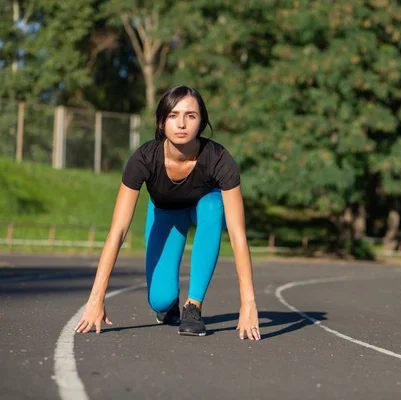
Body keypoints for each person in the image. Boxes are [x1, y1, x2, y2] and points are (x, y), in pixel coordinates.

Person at [75, 85, 261, 340]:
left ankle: (193, 306)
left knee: (213, 205)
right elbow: (118, 231)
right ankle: (170, 305)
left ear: (202, 122)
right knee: (160, 300)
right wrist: (96, 298)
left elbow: (238, 234)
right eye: (173, 115)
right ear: (161, 122)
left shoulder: (219, 160)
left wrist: (248, 303)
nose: (181, 123)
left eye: (190, 115)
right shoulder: (144, 159)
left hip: (203, 209)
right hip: (166, 213)